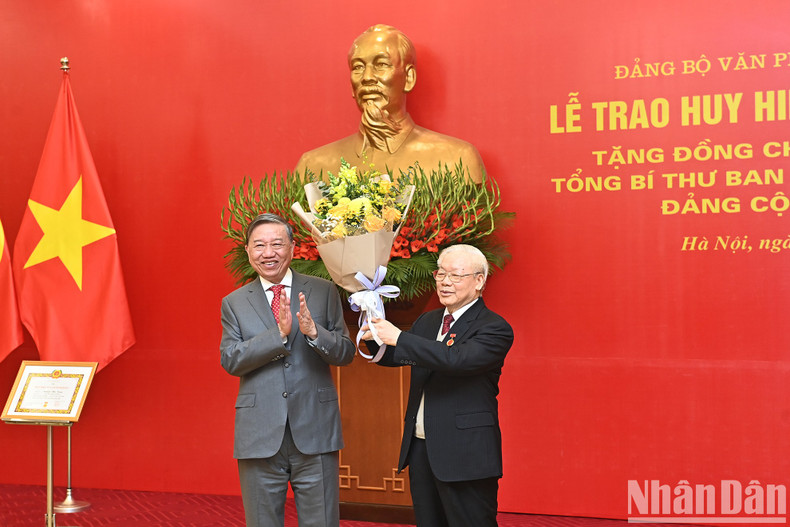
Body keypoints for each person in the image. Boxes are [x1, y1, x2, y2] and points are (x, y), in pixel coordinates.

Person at [360, 244, 514, 527]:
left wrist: (400, 337)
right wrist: (373, 334)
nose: (444, 282)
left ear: (479, 281)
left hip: (465, 452)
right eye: (440, 274)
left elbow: (456, 360)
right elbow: (397, 356)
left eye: (455, 275)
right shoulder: (429, 321)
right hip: (422, 449)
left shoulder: (494, 327)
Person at [220, 213, 356, 527]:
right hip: (259, 433)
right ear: (249, 251)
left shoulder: (322, 291)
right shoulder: (235, 302)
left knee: (321, 521)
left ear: (293, 249)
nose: (269, 253)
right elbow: (230, 359)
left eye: (277, 244)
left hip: (316, 427)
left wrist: (313, 333)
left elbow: (346, 353)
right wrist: (278, 336)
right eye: (260, 245)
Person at [295, 24, 485, 183]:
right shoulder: (312, 166)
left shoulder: (456, 161)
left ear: (409, 78)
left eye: (381, 64)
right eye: (358, 67)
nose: (367, 77)